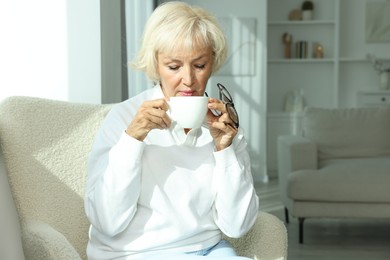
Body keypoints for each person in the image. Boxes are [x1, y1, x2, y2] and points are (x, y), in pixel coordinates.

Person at [84, 1, 259, 259]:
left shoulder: (224, 126)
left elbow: (238, 226)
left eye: (199, 65)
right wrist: (132, 140)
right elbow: (107, 222)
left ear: (213, 62)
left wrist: (226, 150)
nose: (188, 80)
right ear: (155, 64)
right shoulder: (123, 118)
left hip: (208, 250)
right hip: (134, 253)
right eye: (174, 67)